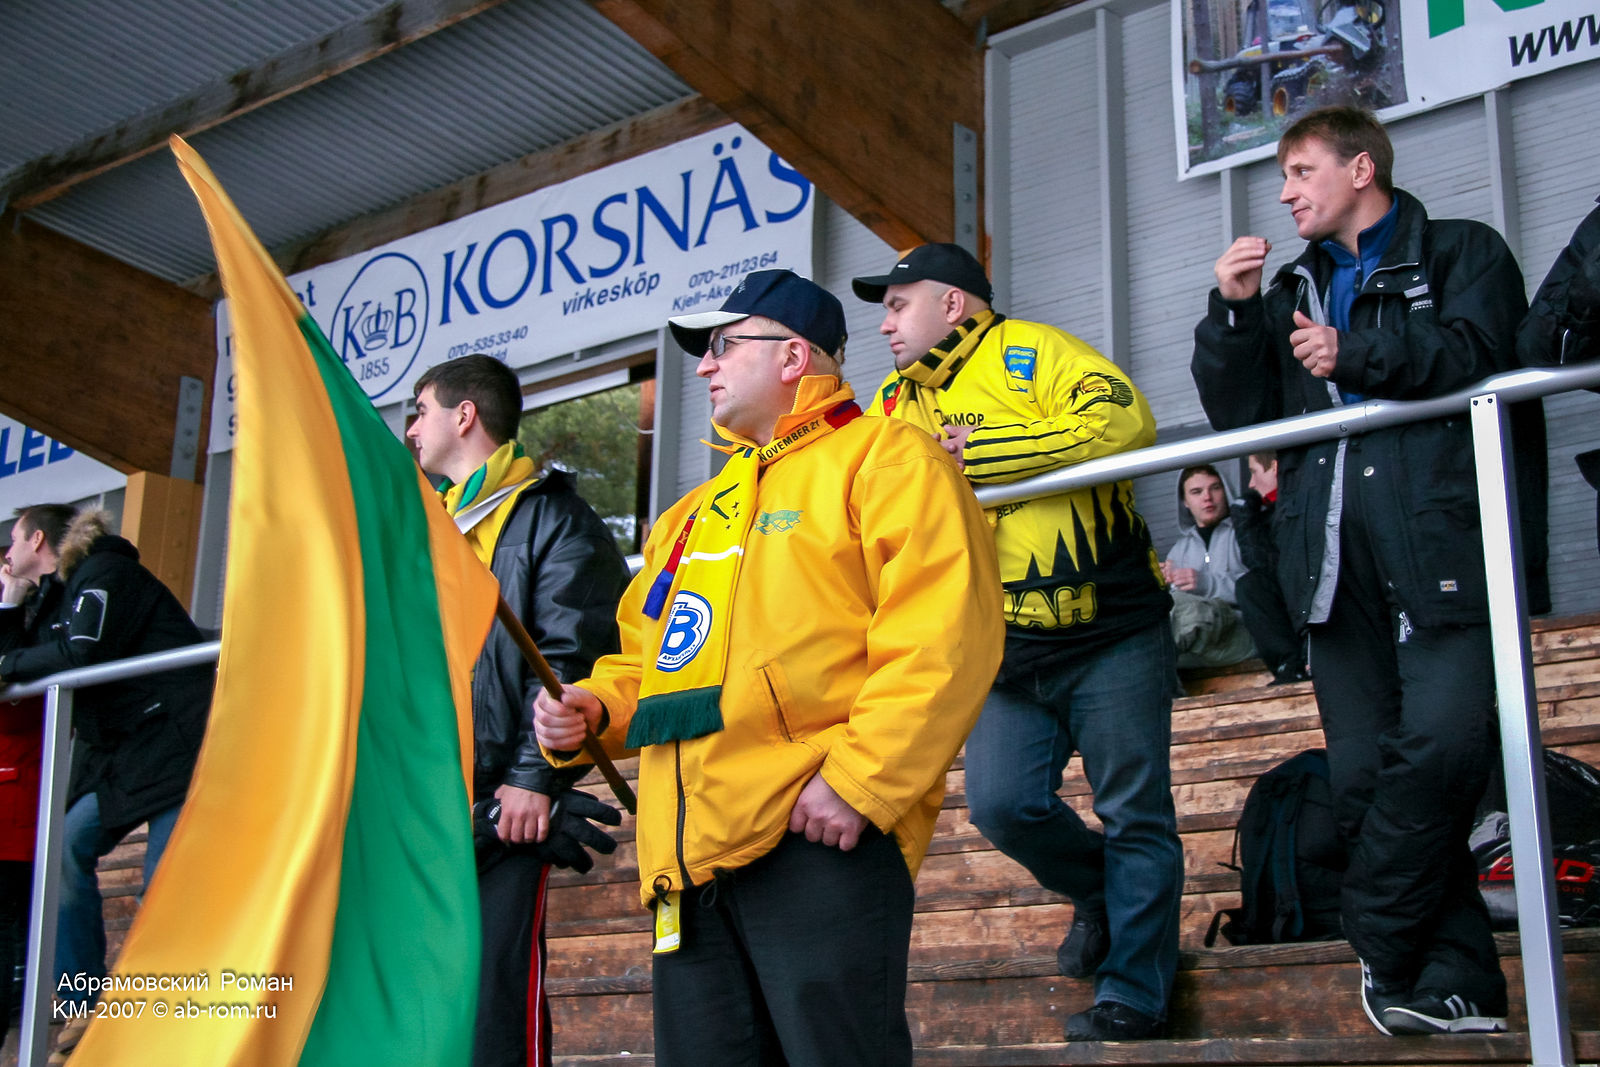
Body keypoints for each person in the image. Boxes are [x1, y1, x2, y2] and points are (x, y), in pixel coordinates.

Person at [533, 269, 1004, 1066]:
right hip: (686, 862)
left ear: (793, 356)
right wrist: (592, 710)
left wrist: (859, 780)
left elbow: (943, 632)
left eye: (722, 344)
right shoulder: (691, 514)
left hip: (816, 831)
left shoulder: (887, 456)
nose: (704, 366)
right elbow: (649, 660)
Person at [1191, 105, 1526, 1035]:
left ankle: (1376, 928)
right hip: (1332, 571)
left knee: (1444, 752)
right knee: (1363, 779)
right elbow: (1243, 418)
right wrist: (1233, 313)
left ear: (1362, 169)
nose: (1286, 194)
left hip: (1442, 554)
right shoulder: (1289, 288)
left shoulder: (1462, 250)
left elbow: (1485, 352)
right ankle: (1452, 981)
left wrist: (1358, 353)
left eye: (1301, 172)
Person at [853, 244, 1182, 1041]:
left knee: (1135, 812)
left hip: (1114, 629)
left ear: (953, 304)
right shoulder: (891, 404)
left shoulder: (1032, 351)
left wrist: (983, 457)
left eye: (898, 305)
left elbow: (1125, 418)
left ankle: (1135, 992)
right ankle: (1103, 892)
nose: (886, 324)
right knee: (1002, 806)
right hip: (1001, 649)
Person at [406, 354, 629, 1067]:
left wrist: (533, 778)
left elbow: (574, 652)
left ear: (464, 415)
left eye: (420, 411)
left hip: (504, 805)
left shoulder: (554, 516)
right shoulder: (426, 530)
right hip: (427, 805)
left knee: (491, 1017)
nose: (411, 430)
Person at [0, 505, 211, 1061]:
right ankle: (84, 1007)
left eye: (12, 541)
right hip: (120, 754)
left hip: (176, 744)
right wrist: (10, 603)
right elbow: (12, 657)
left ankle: (159, 1023)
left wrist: (12, 663)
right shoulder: (53, 596)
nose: (6, 555)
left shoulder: (105, 572)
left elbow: (82, 651)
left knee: (162, 886)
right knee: (61, 853)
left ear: (37, 540)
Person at [1162, 464, 1254, 670]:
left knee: (1185, 607)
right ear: (1185, 502)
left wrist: (1206, 583)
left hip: (1241, 634)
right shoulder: (1179, 550)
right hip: (1198, 649)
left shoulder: (1245, 533)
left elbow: (1266, 590)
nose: (1207, 498)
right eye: (1196, 492)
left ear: (1226, 490)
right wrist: (1160, 584)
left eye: (1215, 488)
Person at [1231, 451, 1310, 684]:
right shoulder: (1268, 512)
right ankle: (1290, 665)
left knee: (1252, 586)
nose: (1251, 484)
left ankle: (1297, 662)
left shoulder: (1299, 505)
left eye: (1254, 472)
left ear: (1275, 468)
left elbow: (1272, 567)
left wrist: (1245, 519)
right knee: (1250, 585)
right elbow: (1261, 569)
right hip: (1298, 616)